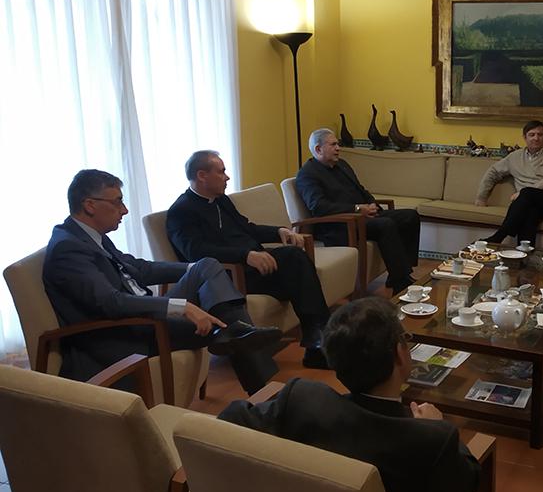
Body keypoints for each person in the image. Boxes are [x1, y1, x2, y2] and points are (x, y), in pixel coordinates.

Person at [219, 297, 480, 492]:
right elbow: (466, 484)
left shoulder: (301, 400)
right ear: (400, 354)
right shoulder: (430, 439)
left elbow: (229, 420)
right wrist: (438, 426)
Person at [44, 170, 283, 395]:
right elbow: (111, 302)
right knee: (233, 328)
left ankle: (234, 336)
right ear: (90, 205)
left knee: (208, 264)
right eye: (117, 202)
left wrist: (195, 269)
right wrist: (181, 307)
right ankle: (261, 387)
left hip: (144, 316)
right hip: (127, 331)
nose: (125, 210)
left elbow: (140, 269)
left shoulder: (91, 237)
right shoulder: (69, 248)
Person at [166, 150, 332, 369]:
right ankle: (319, 341)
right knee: (295, 261)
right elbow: (196, 253)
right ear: (202, 175)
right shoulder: (181, 211)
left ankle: (320, 339)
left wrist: (278, 232)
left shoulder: (221, 201)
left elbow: (246, 228)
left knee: (298, 263)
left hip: (254, 267)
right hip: (230, 277)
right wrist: (245, 255)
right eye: (221, 172)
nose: (227, 177)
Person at [295, 129, 421, 295]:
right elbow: (318, 206)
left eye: (338, 144)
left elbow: (360, 189)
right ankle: (401, 282)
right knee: (385, 224)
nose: (338, 148)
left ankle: (399, 272)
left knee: (410, 216)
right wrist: (357, 209)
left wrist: (372, 204)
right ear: (318, 149)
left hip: (363, 217)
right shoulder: (307, 174)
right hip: (340, 225)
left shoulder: (342, 165)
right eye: (333, 144)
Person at [475, 120, 543, 246]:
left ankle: (498, 236)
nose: (536, 138)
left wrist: (523, 193)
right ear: (525, 137)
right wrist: (481, 197)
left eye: (540, 135)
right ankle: (524, 255)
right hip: (529, 203)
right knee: (531, 213)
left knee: (527, 194)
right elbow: (493, 172)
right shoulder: (515, 157)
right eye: (532, 135)